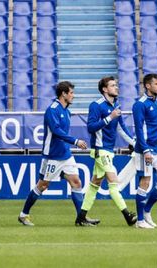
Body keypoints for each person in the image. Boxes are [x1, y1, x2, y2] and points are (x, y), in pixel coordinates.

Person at [18, 81, 97, 226]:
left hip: (65, 154)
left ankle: (81, 218)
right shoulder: (52, 109)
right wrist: (75, 141)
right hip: (52, 156)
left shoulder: (66, 111)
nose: (73, 96)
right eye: (71, 93)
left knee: (76, 182)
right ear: (64, 94)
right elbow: (56, 131)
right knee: (42, 186)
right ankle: (23, 215)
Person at [75, 76, 137, 227]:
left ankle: (81, 217)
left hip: (108, 151)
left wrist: (135, 143)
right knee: (113, 183)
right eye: (112, 85)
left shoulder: (116, 105)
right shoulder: (96, 106)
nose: (116, 87)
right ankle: (128, 216)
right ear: (104, 89)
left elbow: (122, 129)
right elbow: (90, 127)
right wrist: (110, 117)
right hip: (100, 150)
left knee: (95, 184)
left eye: (116, 85)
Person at [132, 73, 157, 229]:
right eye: (156, 84)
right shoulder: (140, 104)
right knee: (145, 182)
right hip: (145, 150)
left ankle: (147, 211)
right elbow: (139, 130)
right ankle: (140, 221)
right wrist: (146, 150)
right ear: (148, 86)